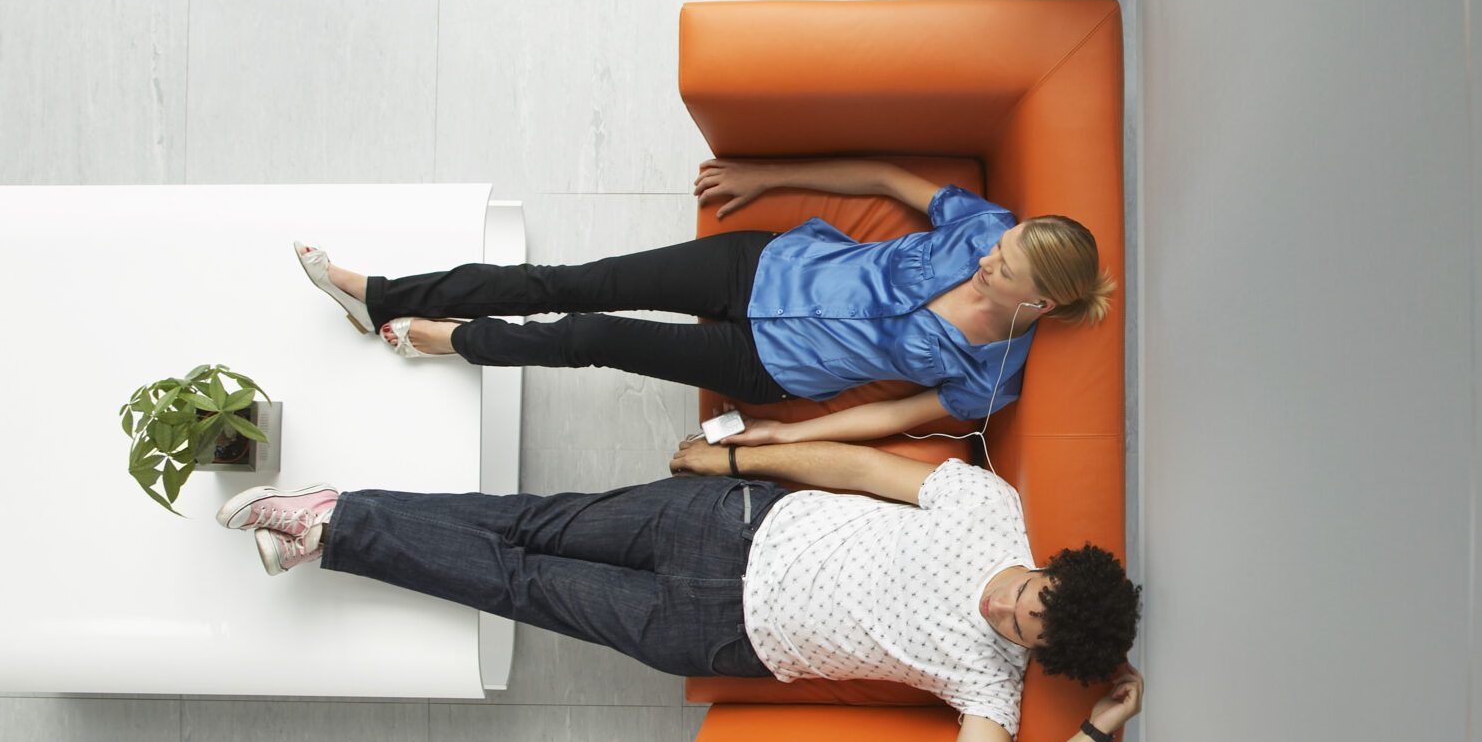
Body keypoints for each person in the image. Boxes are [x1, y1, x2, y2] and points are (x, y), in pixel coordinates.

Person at [214, 439, 1143, 742]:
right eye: (1032, 593)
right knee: (526, 521)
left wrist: (1095, 733)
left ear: (1037, 650)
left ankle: (331, 525)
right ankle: (333, 522)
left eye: (1026, 627)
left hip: (712, 630)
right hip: (725, 523)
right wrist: (739, 459)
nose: (1006, 611)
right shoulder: (990, 509)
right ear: (1052, 562)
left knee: (518, 582)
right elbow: (858, 469)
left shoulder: (992, 685)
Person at [293, 157, 1114, 447]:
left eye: (1000, 269)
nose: (985, 258)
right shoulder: (983, 224)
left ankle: (452, 342)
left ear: (1037, 303)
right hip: (760, 268)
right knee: (569, 282)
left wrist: (776, 432)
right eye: (997, 246)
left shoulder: (993, 373)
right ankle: (379, 296)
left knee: (589, 336)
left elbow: (890, 417)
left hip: (764, 364)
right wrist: (768, 179)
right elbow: (884, 181)